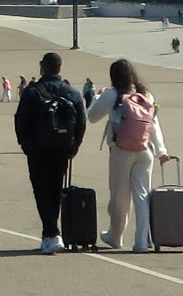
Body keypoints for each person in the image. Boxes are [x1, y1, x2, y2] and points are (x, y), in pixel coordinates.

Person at [85, 59, 173, 253]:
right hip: (145, 151)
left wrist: (96, 98)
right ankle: (142, 241)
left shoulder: (113, 94)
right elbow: (154, 124)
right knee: (142, 196)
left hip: (121, 151)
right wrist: (161, 151)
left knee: (119, 197)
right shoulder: (145, 95)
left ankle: (116, 235)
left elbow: (91, 117)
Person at [13, 52, 86, 254]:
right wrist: (74, 146)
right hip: (62, 149)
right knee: (55, 191)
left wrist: (26, 145)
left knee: (41, 191)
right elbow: (81, 121)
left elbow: (20, 120)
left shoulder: (32, 92)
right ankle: (51, 234)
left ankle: (51, 233)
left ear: (42, 67)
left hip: (38, 150)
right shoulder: (71, 92)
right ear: (59, 68)